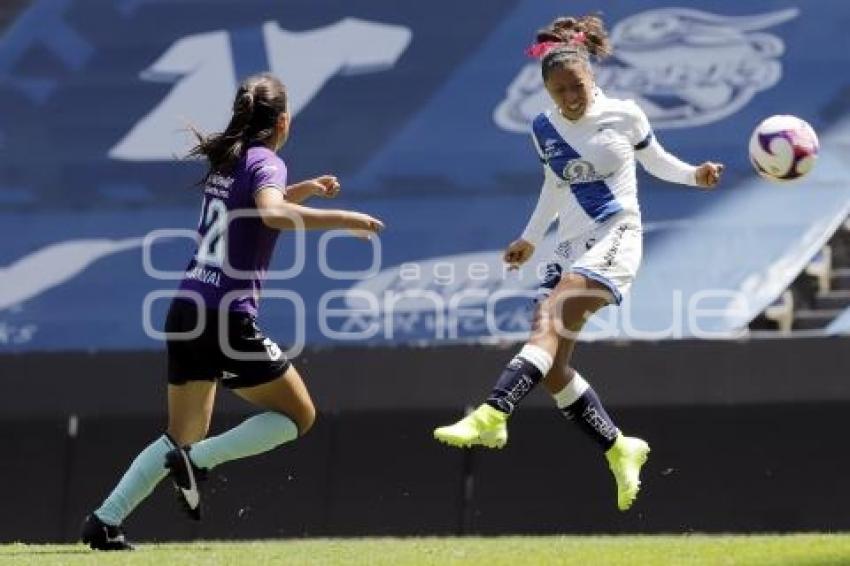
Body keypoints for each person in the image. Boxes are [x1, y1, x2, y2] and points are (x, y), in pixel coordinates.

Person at [81, 72, 384, 550]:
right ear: (284, 120)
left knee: (179, 434)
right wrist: (346, 219)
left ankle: (104, 521)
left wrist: (301, 189)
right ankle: (198, 463)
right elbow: (271, 214)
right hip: (225, 315)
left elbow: (253, 207)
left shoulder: (231, 156)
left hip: (187, 307)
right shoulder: (267, 161)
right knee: (297, 417)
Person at [433, 14, 722, 511]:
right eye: (560, 90)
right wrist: (529, 237)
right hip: (568, 245)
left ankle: (493, 413)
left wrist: (696, 175)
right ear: (546, 92)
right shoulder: (542, 126)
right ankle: (619, 447)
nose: (571, 97)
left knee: (549, 319)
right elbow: (554, 183)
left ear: (593, 78)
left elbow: (654, 160)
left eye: (577, 86)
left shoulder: (624, 114)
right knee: (552, 365)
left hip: (617, 235)